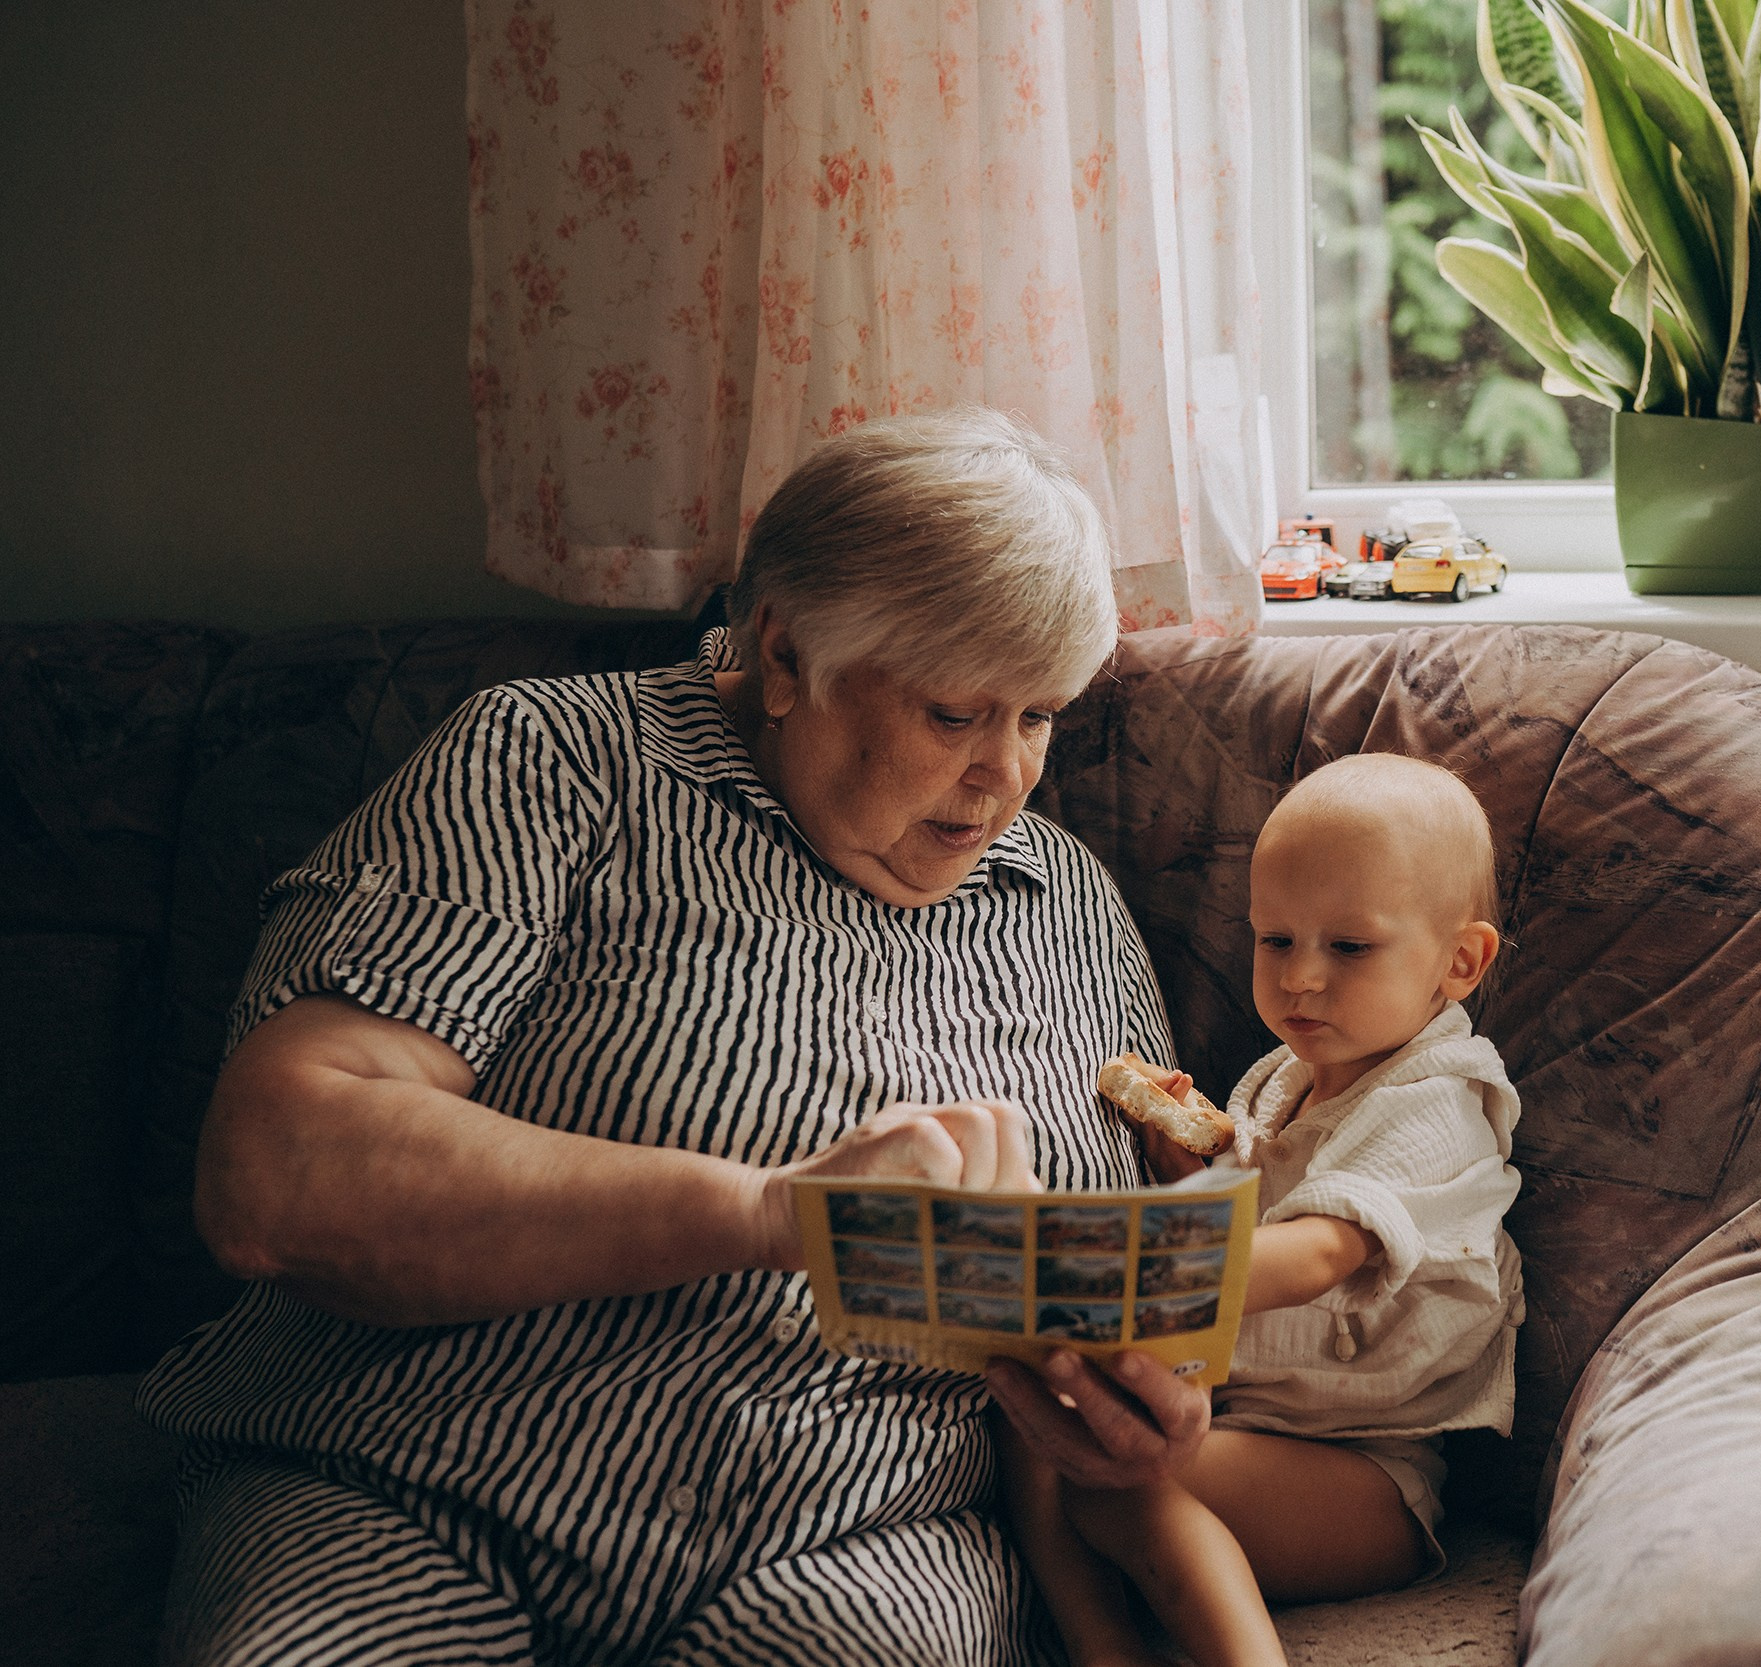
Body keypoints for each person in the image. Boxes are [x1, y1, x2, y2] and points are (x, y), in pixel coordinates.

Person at [139, 409, 1212, 1667]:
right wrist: (776, 1212)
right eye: (954, 712)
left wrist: (1141, 1409)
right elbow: (277, 1171)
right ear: (783, 653)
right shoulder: (550, 761)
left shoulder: (1066, 898)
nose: (1004, 779)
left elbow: (1132, 1278)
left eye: (1038, 716)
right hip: (411, 1474)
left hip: (856, 1535)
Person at [1002, 754, 1523, 1667]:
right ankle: (1098, 1642)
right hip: (1246, 1426)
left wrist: (1129, 1266)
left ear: (1459, 960)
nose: (1300, 979)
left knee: (1123, 1475)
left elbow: (1315, 1254)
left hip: (1369, 1481)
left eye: (1348, 947)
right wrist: (1183, 1176)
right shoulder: (1285, 1081)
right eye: (1275, 940)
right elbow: (1256, 1219)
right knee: (1036, 1419)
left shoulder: (1441, 1101)